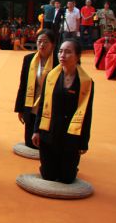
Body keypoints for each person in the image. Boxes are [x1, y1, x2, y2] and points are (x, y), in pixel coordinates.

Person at [32, 38, 94, 184]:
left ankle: (71, 168)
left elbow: (87, 113)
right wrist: (36, 130)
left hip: (71, 136)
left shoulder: (85, 82)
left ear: (77, 56)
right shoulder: (51, 77)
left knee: (67, 178)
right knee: (48, 176)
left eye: (68, 52)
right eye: (60, 51)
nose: (62, 55)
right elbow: (42, 106)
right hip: (49, 133)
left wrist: (83, 142)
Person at [14, 29, 57, 149]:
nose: (42, 45)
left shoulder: (58, 62)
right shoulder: (29, 59)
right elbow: (22, 85)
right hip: (32, 103)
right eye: (39, 41)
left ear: (53, 44)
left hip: (49, 106)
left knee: (46, 144)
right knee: (30, 143)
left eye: (46, 42)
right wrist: (20, 109)